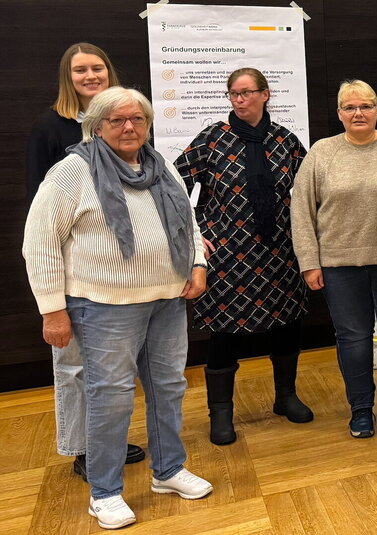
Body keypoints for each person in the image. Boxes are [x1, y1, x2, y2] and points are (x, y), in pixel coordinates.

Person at [24, 86, 213, 530]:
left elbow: (188, 218)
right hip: (103, 305)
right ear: (96, 126)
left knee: (168, 387)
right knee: (110, 399)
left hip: (166, 299)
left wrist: (199, 264)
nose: (130, 127)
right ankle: (104, 492)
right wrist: (52, 310)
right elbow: (40, 242)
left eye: (138, 119)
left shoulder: (159, 166)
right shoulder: (72, 172)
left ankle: (168, 471)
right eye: (117, 120)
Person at [24, 42, 145, 481]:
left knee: (114, 369)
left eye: (97, 68)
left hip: (124, 272)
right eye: (80, 71)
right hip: (77, 271)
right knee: (74, 365)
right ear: (68, 78)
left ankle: (108, 439)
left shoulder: (127, 120)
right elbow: (40, 210)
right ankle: (82, 447)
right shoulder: (50, 127)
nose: (90, 76)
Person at [175, 68, 312, 447]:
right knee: (224, 334)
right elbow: (173, 186)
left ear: (265, 95)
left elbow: (306, 193)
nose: (238, 100)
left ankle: (285, 397)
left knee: (288, 325)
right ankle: (220, 413)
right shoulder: (213, 139)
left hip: (280, 253)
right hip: (229, 254)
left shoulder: (286, 141)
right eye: (233, 93)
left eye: (246, 92)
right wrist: (195, 235)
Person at [291, 80, 377, 439]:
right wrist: (309, 261)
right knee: (354, 340)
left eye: (365, 106)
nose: (358, 113)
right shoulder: (322, 152)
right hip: (338, 265)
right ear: (339, 114)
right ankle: (361, 410)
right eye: (349, 108)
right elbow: (301, 210)